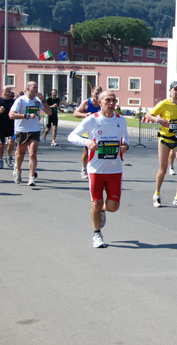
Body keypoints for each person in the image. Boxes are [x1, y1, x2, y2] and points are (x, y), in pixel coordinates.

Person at [67, 90, 129, 248]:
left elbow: (125, 139)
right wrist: (87, 143)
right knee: (95, 203)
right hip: (95, 169)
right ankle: (97, 234)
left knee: (113, 207)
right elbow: (72, 136)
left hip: (115, 169)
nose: (111, 103)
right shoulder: (92, 120)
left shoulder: (121, 120)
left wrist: (125, 146)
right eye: (108, 100)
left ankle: (103, 209)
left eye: (114, 100)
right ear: (99, 102)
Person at [145, 81, 177, 211]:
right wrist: (157, 120)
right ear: (170, 90)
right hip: (165, 140)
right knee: (163, 169)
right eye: (175, 90)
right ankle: (157, 194)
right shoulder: (164, 104)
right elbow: (149, 114)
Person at [9, 81, 52, 186]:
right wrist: (26, 116)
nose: (36, 89)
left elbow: (49, 112)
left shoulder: (38, 101)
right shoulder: (21, 100)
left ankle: (31, 177)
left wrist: (44, 101)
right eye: (34, 87)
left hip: (34, 130)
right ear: (28, 89)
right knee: (21, 153)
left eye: (37, 87)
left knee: (33, 153)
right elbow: (11, 115)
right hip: (22, 130)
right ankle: (18, 170)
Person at [74, 86, 103, 179]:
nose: (97, 95)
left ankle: (97, 169)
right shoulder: (87, 102)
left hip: (99, 131)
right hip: (87, 131)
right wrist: (85, 115)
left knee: (99, 150)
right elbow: (75, 113)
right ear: (92, 93)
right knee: (86, 151)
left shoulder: (102, 103)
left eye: (99, 93)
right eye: (96, 93)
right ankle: (83, 169)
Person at [0, 86, 15, 169]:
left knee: (11, 142)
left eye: (9, 91)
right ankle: (0, 159)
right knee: (1, 144)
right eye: (6, 91)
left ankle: (9, 158)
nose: (7, 93)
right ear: (2, 92)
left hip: (11, 125)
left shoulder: (14, 101)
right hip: (1, 125)